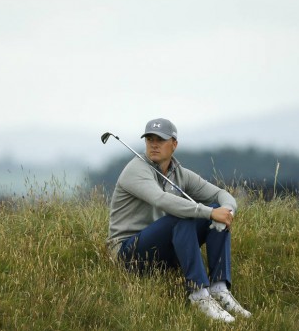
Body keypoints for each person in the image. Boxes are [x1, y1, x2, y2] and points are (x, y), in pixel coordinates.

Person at [106, 118, 251, 323]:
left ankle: (219, 289)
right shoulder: (136, 169)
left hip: (162, 248)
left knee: (216, 212)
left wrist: (227, 212)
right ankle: (199, 294)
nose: (153, 144)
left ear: (174, 144)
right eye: (149, 139)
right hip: (129, 253)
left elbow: (221, 194)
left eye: (160, 139)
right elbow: (162, 200)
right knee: (182, 217)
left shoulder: (179, 173)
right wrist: (209, 213)